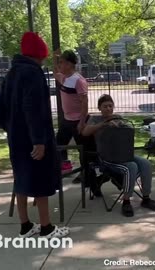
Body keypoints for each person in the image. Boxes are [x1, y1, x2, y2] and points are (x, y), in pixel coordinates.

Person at [0, 32, 69, 239]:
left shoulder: (11, 73)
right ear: (39, 54)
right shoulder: (33, 74)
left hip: (16, 139)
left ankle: (25, 225)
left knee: (21, 181)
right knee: (41, 181)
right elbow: (33, 109)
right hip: (35, 139)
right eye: (43, 55)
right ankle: (46, 228)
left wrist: (11, 128)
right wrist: (38, 140)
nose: (45, 59)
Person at [82, 94, 155, 217]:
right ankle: (126, 201)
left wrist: (120, 123)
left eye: (110, 106)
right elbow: (85, 132)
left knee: (145, 164)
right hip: (106, 157)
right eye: (105, 106)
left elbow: (129, 131)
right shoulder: (95, 119)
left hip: (124, 154)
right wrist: (104, 124)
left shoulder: (118, 118)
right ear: (99, 108)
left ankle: (146, 198)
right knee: (131, 166)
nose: (108, 109)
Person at [54, 49, 88, 184]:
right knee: (59, 144)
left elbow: (84, 103)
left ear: (69, 64)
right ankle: (66, 166)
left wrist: (82, 122)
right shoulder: (64, 78)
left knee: (82, 149)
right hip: (67, 120)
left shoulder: (78, 80)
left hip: (77, 121)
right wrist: (55, 58)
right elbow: (55, 71)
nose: (60, 65)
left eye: (62, 62)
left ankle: (85, 173)